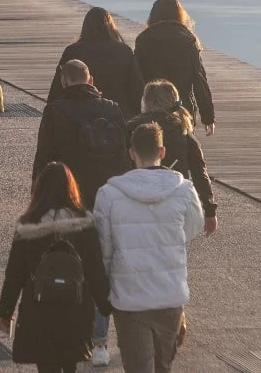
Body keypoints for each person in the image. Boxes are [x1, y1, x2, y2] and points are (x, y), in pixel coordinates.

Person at [31, 58, 128, 366]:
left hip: (68, 201)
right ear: (90, 78)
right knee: (102, 269)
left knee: (68, 268)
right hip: (107, 199)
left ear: (64, 80)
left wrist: (37, 198)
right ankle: (100, 343)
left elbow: (44, 158)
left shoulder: (56, 111)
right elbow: (124, 156)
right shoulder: (112, 109)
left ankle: (73, 335)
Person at [95, 123, 204, 373]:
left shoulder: (109, 194)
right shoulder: (184, 190)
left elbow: (104, 247)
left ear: (132, 153)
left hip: (130, 297)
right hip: (170, 294)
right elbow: (193, 228)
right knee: (163, 366)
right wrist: (168, 239)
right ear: (162, 151)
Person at [0, 163, 111, 373]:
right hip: (77, 311)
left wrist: (4, 311)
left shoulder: (28, 226)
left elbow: (14, 275)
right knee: (71, 363)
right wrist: (106, 304)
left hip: (39, 312)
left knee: (46, 366)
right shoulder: (84, 224)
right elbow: (95, 270)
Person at [126, 80, 218, 235]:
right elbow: (199, 172)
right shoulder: (182, 130)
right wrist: (209, 210)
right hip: (173, 199)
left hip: (137, 197)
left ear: (145, 101)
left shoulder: (130, 127)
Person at [134, 0, 215, 137]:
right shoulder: (188, 40)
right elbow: (199, 81)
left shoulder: (143, 40)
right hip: (182, 108)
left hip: (150, 108)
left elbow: (135, 78)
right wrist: (208, 117)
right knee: (183, 148)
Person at [49, 7, 143, 118]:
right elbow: (136, 89)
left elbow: (56, 89)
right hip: (119, 116)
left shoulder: (73, 51)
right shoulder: (124, 51)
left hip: (80, 115)